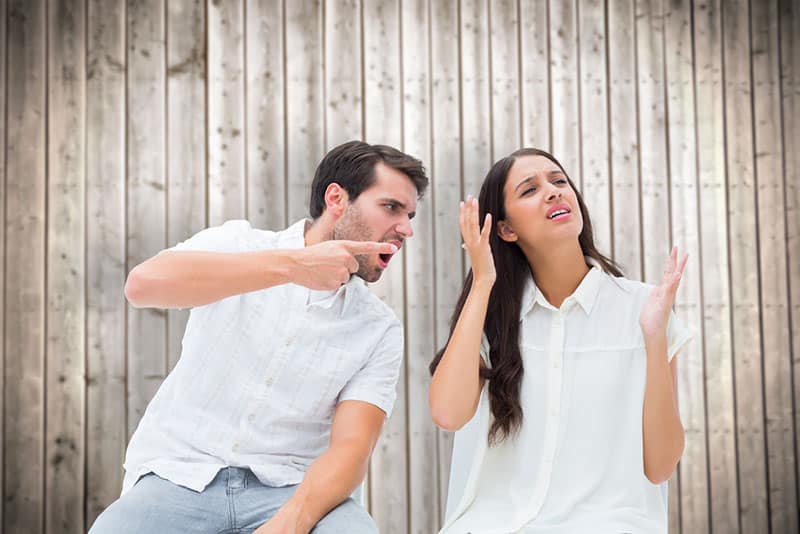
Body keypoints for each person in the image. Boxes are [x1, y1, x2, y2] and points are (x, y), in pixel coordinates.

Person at [89, 140, 428, 534]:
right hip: (179, 477)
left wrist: (291, 522)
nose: (406, 229)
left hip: (293, 490)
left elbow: (351, 448)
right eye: (391, 208)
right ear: (336, 198)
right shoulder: (239, 245)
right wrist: (292, 266)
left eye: (410, 215)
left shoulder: (378, 327)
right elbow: (142, 286)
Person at [429, 148, 690, 533]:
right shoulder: (491, 317)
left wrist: (654, 342)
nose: (553, 192)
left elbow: (661, 466)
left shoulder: (644, 308)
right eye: (529, 189)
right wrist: (483, 282)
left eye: (559, 181)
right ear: (506, 229)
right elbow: (448, 414)